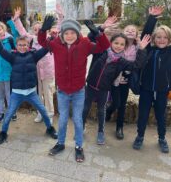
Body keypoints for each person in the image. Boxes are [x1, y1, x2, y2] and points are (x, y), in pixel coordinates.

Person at [38, 15, 115, 162]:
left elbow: (104, 46)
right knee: (62, 120)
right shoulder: (55, 44)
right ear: (62, 34)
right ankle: (60, 143)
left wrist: (99, 34)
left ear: (78, 33)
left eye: (72, 33)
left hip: (79, 91)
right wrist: (43, 29)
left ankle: (79, 147)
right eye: (66, 33)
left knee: (78, 120)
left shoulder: (85, 43)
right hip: (62, 91)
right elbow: (42, 41)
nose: (69, 35)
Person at [132, 0, 171, 153]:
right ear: (154, 39)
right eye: (158, 37)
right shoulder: (148, 50)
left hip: (162, 90)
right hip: (146, 89)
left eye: (165, 38)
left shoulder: (170, 52)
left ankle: (162, 138)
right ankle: (140, 136)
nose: (161, 40)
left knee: (161, 116)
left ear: (169, 40)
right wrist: (152, 18)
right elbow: (145, 35)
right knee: (142, 115)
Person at [105, 6, 164, 140]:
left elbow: (140, 63)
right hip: (115, 78)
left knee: (123, 103)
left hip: (127, 78)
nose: (130, 31)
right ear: (123, 33)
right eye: (128, 30)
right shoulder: (118, 45)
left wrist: (152, 18)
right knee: (116, 103)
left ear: (137, 35)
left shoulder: (139, 47)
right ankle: (109, 111)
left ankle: (119, 127)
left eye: (133, 30)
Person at [82, 33, 150, 145]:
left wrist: (142, 49)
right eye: (116, 43)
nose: (118, 46)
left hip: (104, 89)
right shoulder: (102, 52)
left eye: (122, 44)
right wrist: (100, 29)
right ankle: (81, 127)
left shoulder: (121, 62)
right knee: (85, 108)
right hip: (90, 86)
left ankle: (100, 132)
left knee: (101, 111)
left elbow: (136, 66)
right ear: (111, 42)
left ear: (124, 47)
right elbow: (92, 37)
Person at [0, 32, 58, 145]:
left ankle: (50, 129)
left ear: (29, 46)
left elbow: (46, 48)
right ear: (16, 46)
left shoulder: (33, 55)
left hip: (32, 93)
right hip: (17, 94)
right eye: (20, 45)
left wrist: (52, 37)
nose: (22, 47)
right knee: (9, 114)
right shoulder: (12, 56)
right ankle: (3, 133)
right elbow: (2, 51)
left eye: (25, 45)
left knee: (43, 111)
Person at [12, 7, 58, 124]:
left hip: (48, 72)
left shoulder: (51, 40)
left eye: (40, 29)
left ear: (45, 30)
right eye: (35, 29)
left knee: (48, 94)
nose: (37, 31)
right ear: (33, 31)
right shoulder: (31, 39)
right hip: (35, 73)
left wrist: (60, 17)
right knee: (38, 95)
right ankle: (40, 113)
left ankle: (50, 114)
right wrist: (17, 19)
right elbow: (22, 31)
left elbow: (60, 31)